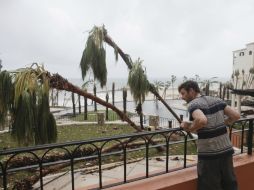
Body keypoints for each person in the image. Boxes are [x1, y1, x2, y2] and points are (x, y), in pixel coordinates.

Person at [178, 80, 240, 190]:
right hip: (226, 151)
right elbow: (235, 116)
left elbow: (202, 120)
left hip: (209, 155)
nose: (181, 97)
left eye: (183, 93)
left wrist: (190, 129)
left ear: (191, 91)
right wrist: (222, 123)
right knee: (229, 185)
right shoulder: (216, 100)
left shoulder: (193, 104)